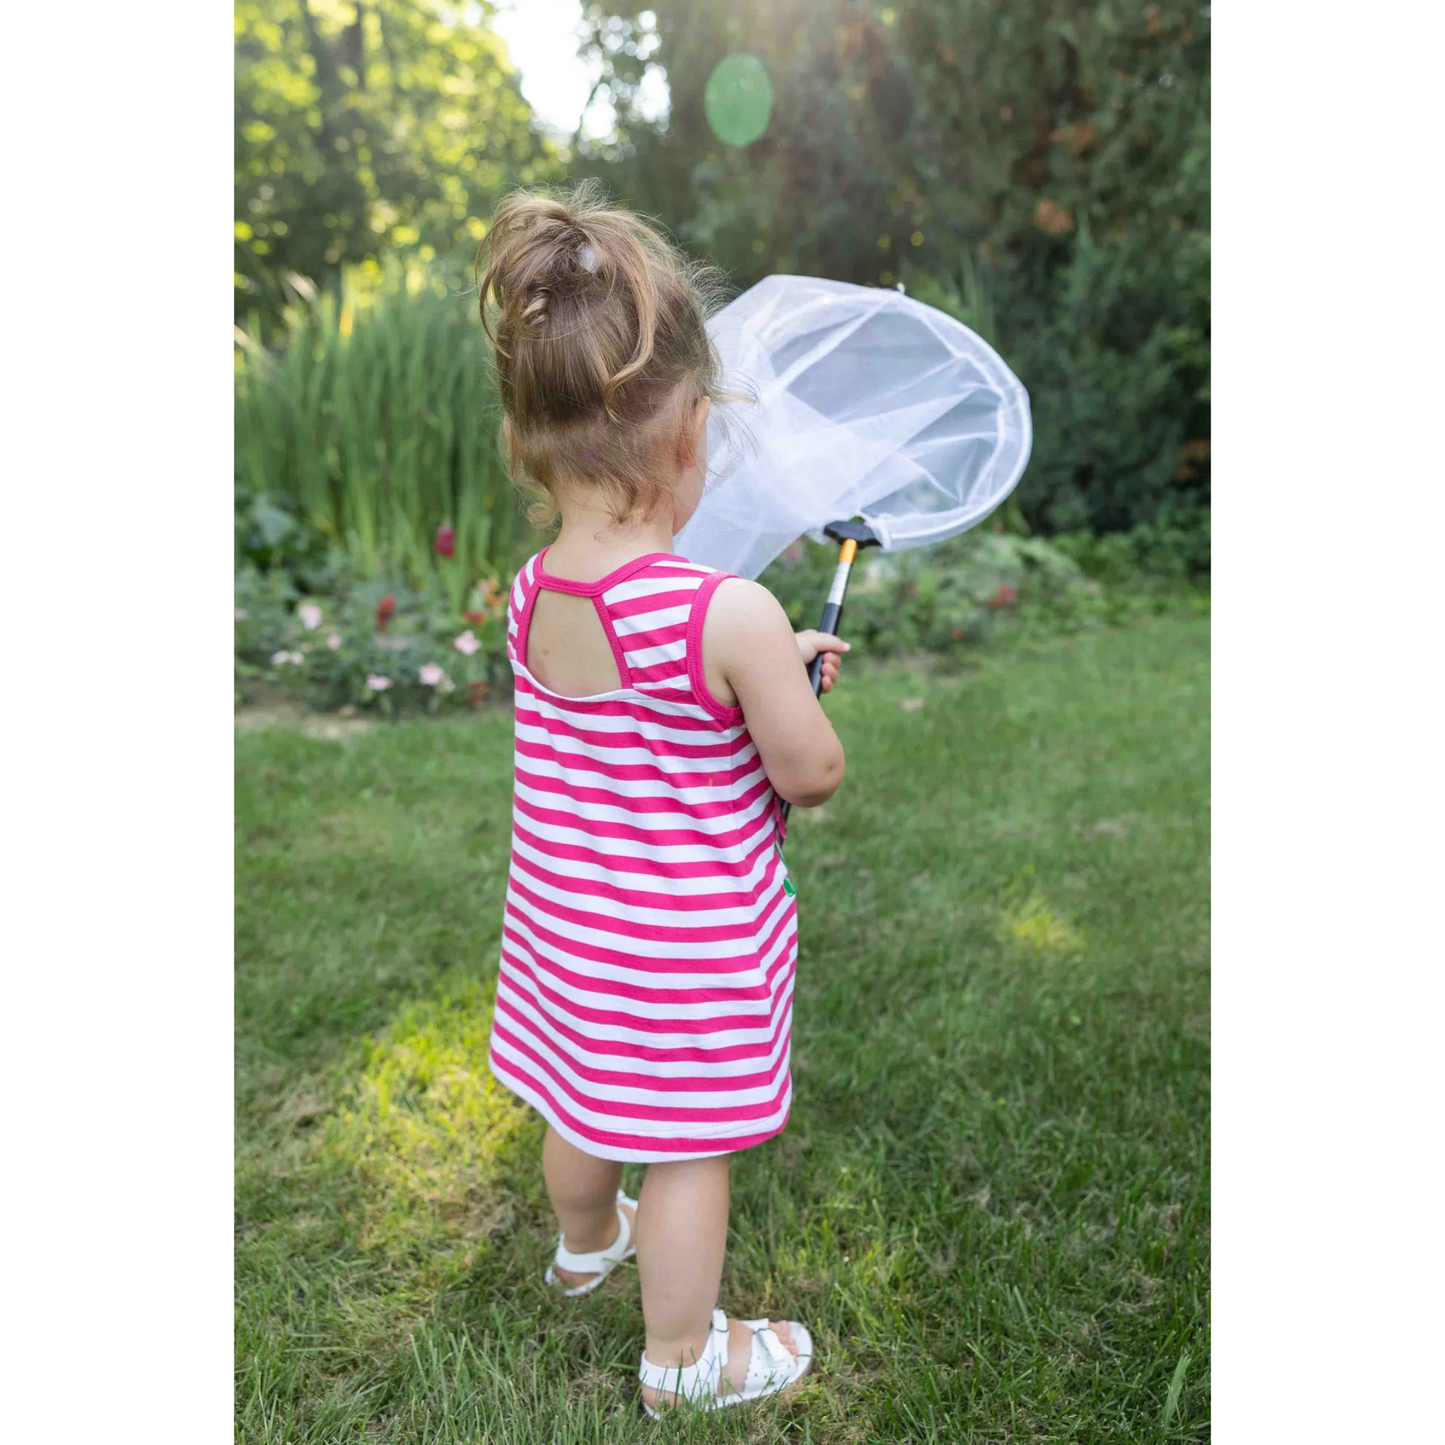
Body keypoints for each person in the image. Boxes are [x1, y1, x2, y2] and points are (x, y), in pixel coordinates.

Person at [477, 183, 848, 1416]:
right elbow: (808, 770)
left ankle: (585, 1245)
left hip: (573, 935)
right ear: (687, 433)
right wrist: (786, 681)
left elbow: (638, 722)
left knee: (583, 1095)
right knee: (689, 1144)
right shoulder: (724, 610)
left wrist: (756, 672)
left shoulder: (531, 593)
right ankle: (682, 1352)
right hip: (682, 951)